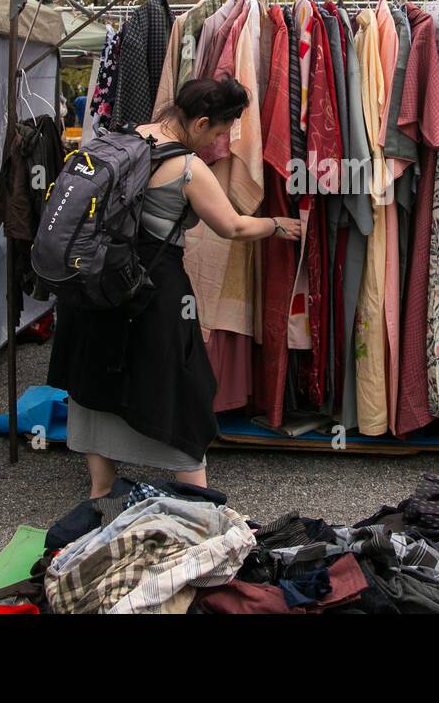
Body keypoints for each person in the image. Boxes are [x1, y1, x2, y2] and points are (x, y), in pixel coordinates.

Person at [47, 77, 301, 495]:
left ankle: (101, 489)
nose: (217, 142)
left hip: (91, 284)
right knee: (184, 383)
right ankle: (195, 491)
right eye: (219, 132)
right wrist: (276, 225)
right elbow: (232, 225)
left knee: (94, 377)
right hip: (149, 289)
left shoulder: (116, 141)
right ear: (200, 123)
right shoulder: (187, 167)